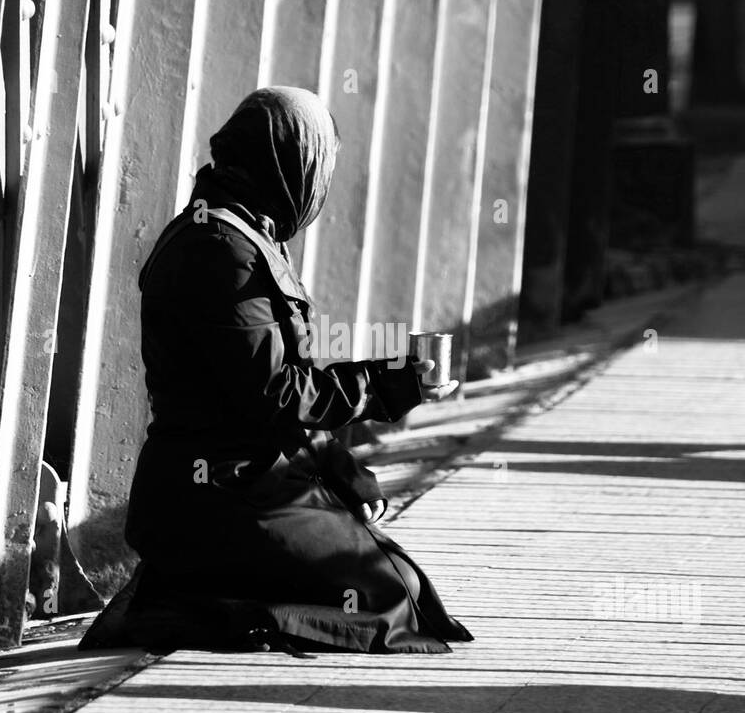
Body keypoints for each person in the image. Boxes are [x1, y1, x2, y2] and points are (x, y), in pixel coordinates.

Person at [79, 86, 473, 656]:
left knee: (400, 584)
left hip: (252, 479)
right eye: (317, 170)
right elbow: (277, 395)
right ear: (287, 162)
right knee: (386, 599)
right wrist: (392, 385)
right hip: (214, 494)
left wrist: (340, 468)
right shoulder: (217, 249)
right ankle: (176, 610)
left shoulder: (246, 235)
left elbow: (280, 386)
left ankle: (191, 591)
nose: (318, 191)